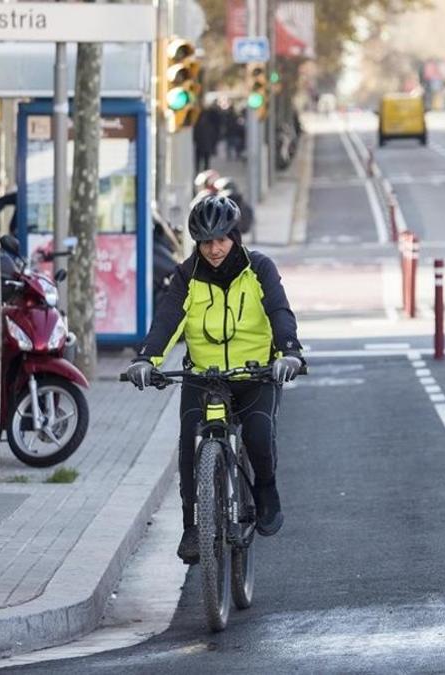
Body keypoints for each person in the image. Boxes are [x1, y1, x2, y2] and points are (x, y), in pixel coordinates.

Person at [125, 195, 304, 565]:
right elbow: (168, 319)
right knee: (190, 443)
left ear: (235, 237)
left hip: (254, 374)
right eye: (206, 242)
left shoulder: (259, 268)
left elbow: (279, 310)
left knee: (257, 433)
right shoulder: (186, 275)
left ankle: (266, 492)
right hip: (204, 377)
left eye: (222, 239)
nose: (215, 248)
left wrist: (289, 351)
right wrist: (147, 358)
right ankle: (193, 525)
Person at [192, 104, 220, 172]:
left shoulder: (198, 125)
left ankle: (201, 172)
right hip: (204, 146)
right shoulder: (210, 126)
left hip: (201, 146)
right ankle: (203, 172)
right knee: (204, 161)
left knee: (201, 161)